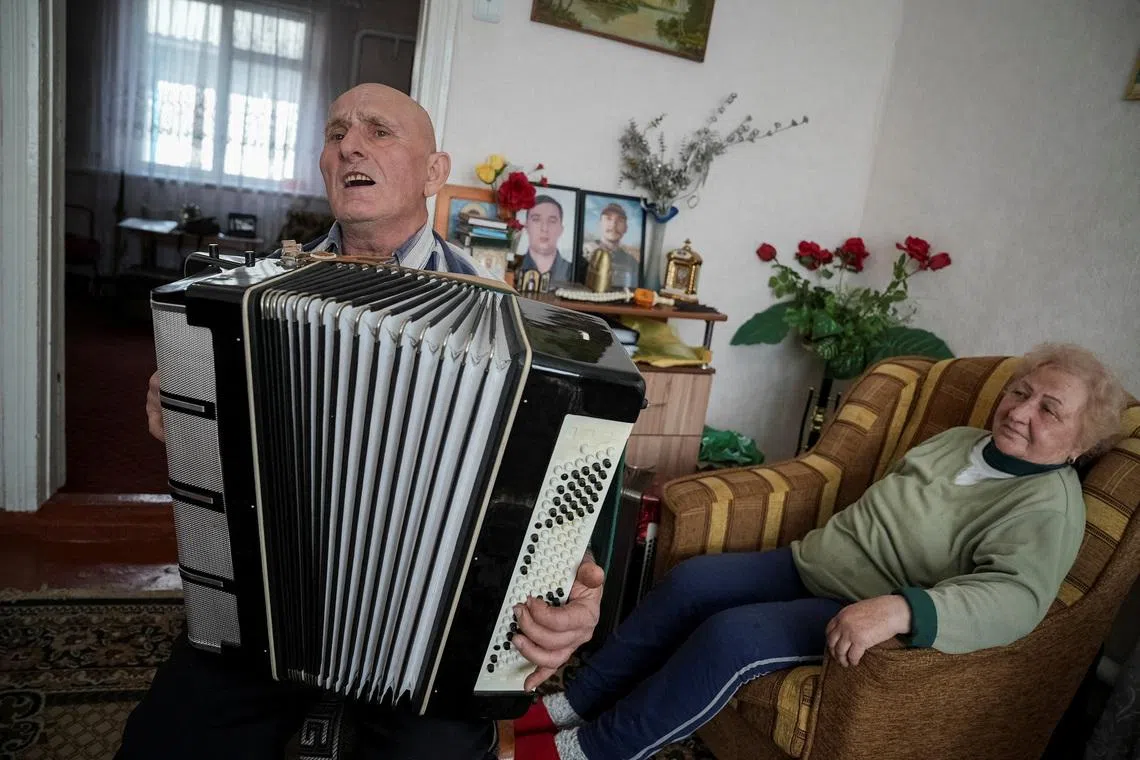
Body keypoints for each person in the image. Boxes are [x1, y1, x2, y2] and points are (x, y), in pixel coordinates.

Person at [125, 83, 605, 760]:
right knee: (161, 746)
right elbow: (214, 460)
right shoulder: (248, 296)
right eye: (336, 132)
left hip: (434, 632)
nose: (348, 144)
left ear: (435, 173)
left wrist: (572, 581)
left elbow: (550, 483)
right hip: (270, 606)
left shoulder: (515, 329)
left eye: (379, 131)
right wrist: (181, 413)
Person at [511, 344, 1126, 760]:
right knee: (691, 581)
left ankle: (591, 749)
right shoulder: (961, 440)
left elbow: (1016, 599)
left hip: (853, 601)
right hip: (814, 559)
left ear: (1082, 440)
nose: (1020, 411)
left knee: (732, 637)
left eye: (1049, 409)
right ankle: (576, 699)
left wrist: (901, 611)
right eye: (1020, 392)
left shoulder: (1047, 505)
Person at [581, 203, 639, 289]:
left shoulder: (632, 262)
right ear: (599, 223)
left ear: (626, 228)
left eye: (620, 220)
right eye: (608, 219)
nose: (613, 225)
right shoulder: (584, 252)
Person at [518, 195, 574, 286]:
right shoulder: (513, 268)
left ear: (561, 229)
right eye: (536, 219)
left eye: (552, 221)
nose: (544, 228)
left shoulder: (572, 272)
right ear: (526, 226)